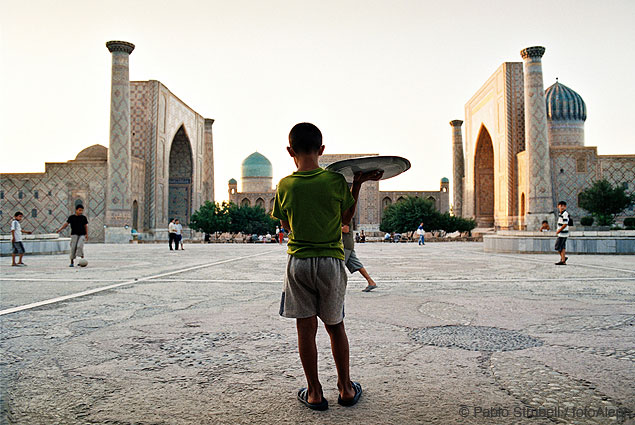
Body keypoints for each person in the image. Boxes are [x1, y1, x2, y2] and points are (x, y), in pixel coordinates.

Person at [272, 122, 382, 411]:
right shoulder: (334, 182)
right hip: (331, 263)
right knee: (335, 326)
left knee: (305, 330)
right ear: (322, 150)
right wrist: (357, 183)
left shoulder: (284, 185)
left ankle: (314, 393)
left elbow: (284, 224)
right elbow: (346, 216)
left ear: (289, 151)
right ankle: (346, 389)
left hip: (298, 263)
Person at [342, 221, 377, 292]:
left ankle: (337, 286)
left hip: (345, 245)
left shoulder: (346, 218)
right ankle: (371, 282)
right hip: (347, 245)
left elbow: (346, 229)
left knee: (338, 266)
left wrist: (331, 228)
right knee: (357, 265)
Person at [555, 201, 569, 265]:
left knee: (558, 246)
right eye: (561, 206)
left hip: (563, 233)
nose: (562, 207)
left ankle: (563, 259)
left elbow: (565, 224)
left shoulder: (565, 214)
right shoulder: (561, 214)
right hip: (562, 233)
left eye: (563, 206)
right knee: (562, 247)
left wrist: (559, 230)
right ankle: (563, 259)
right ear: (558, 206)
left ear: (565, 207)